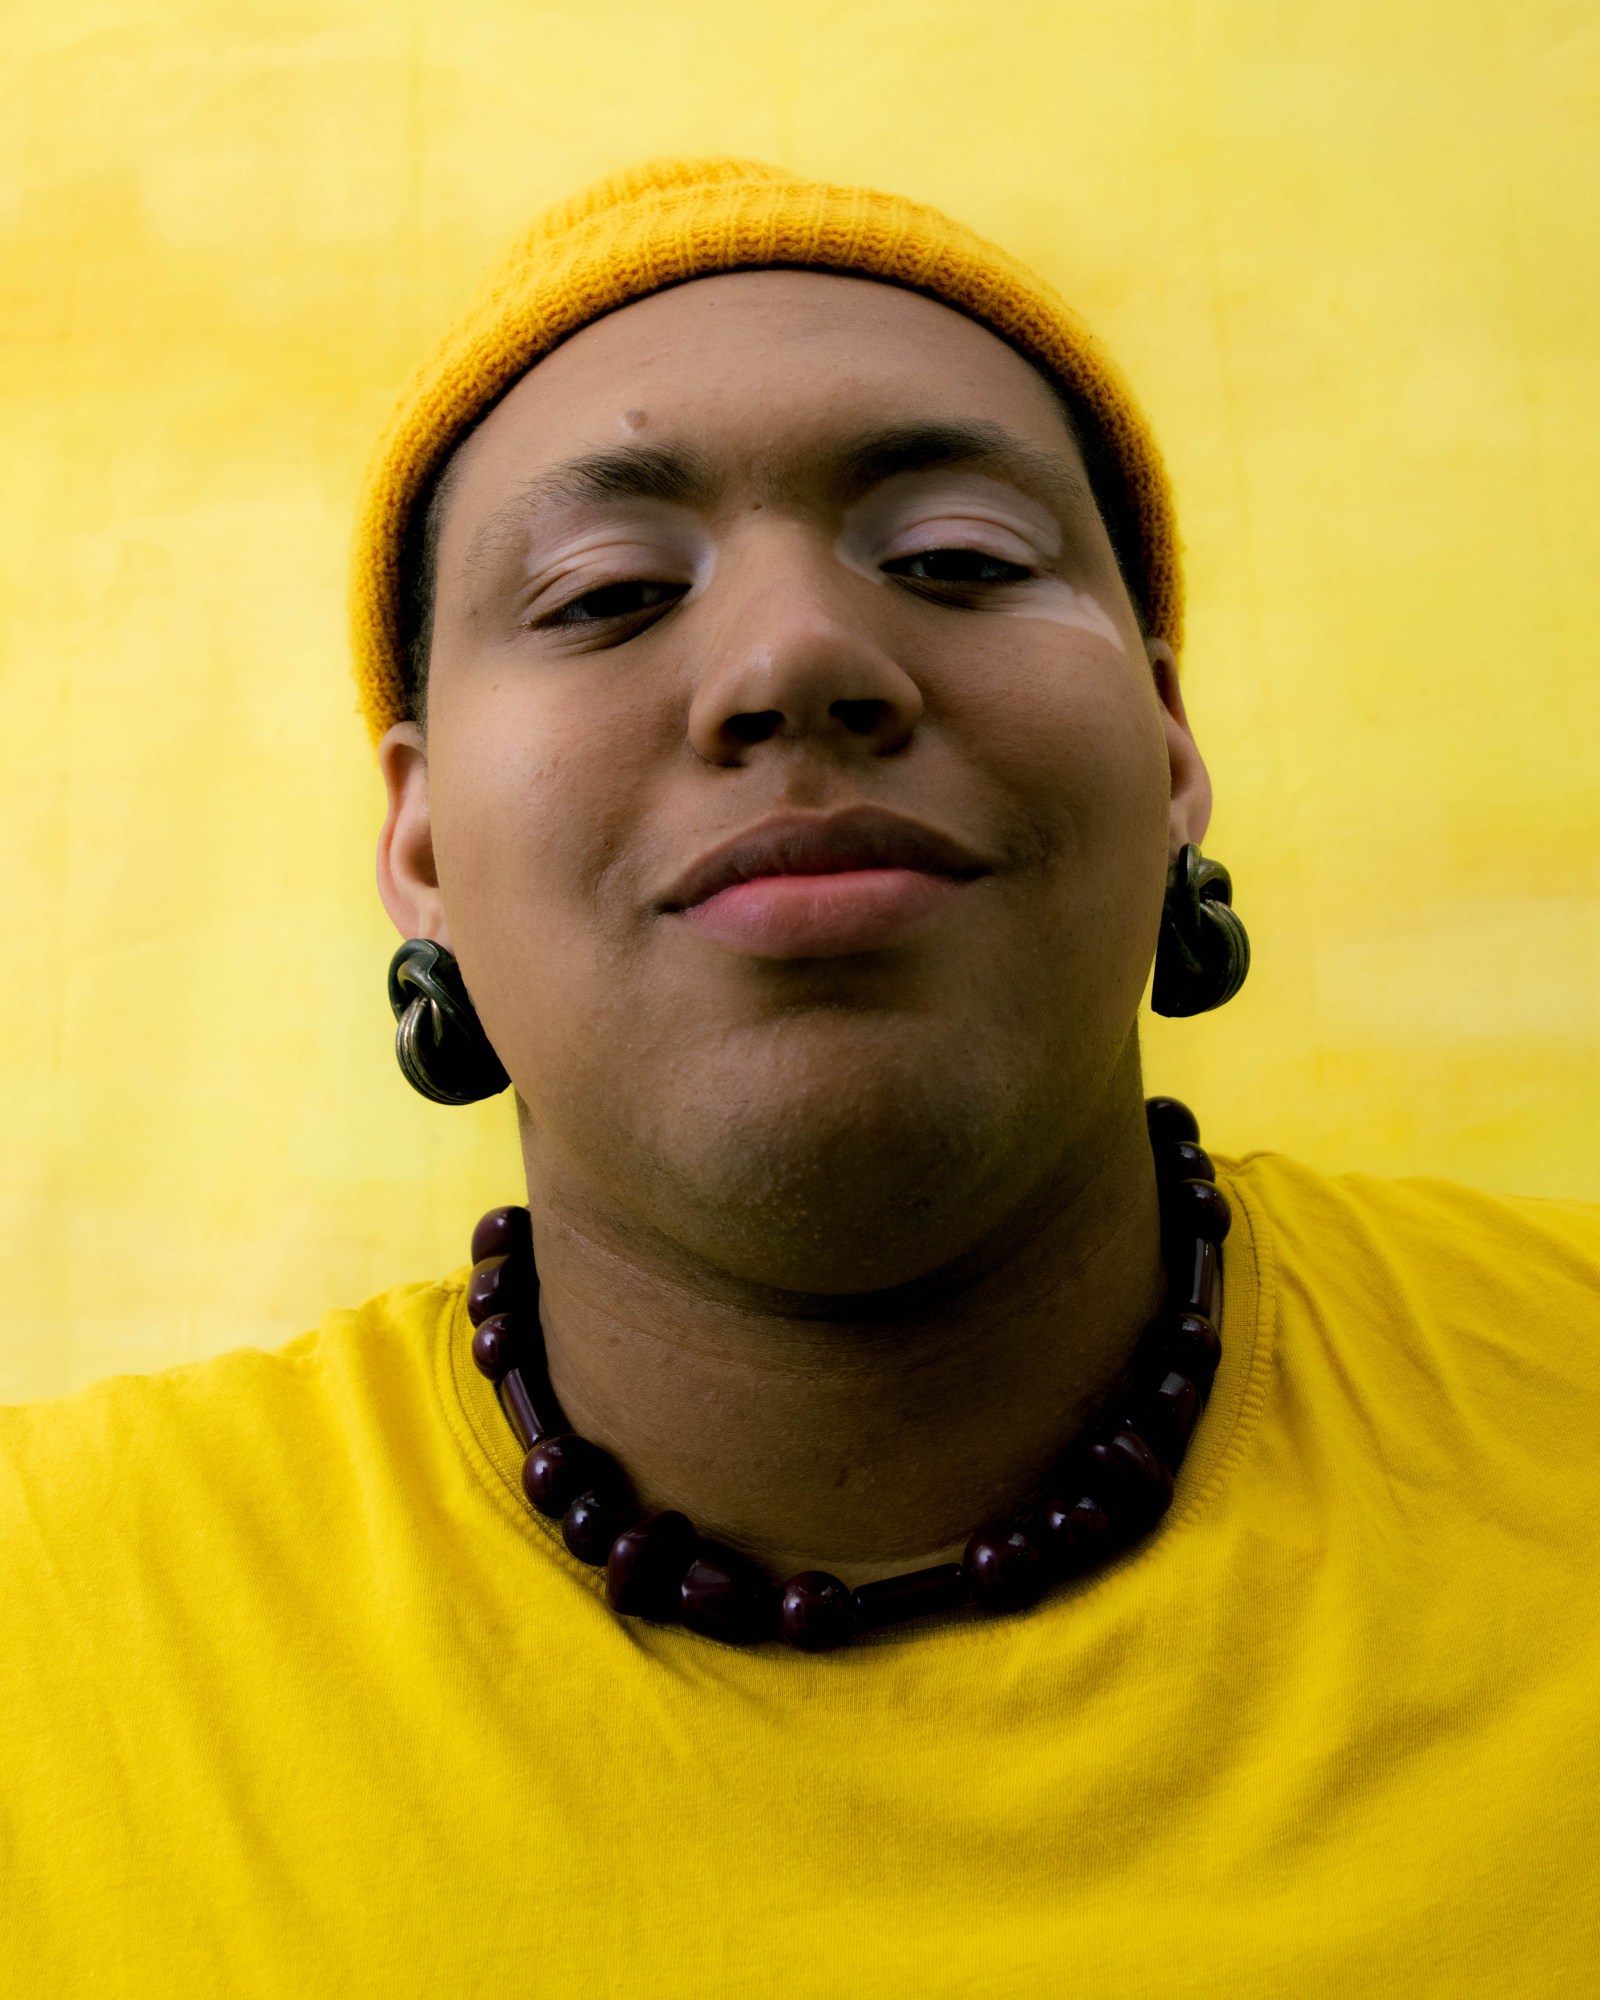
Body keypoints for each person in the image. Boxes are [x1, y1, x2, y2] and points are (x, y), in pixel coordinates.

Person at [3, 156, 1596, 1998]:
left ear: (1168, 751)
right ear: (424, 843)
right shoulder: (58, 1623)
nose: (796, 658)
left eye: (956, 561)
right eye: (605, 595)